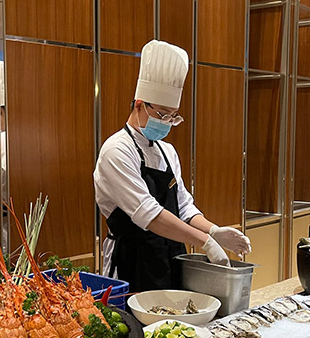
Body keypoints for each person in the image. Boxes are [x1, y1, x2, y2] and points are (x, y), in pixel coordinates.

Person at [93, 40, 251, 293]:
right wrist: (206, 242)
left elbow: (183, 206)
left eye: (173, 117)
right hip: (131, 261)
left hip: (171, 257)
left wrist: (214, 230)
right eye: (162, 115)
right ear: (139, 105)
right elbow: (150, 215)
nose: (167, 123)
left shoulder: (167, 151)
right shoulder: (116, 150)